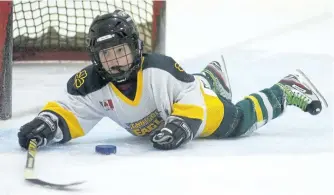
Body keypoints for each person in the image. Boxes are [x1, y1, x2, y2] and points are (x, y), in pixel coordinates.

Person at [18, 10, 327, 151]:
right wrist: (50, 123)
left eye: (121, 52)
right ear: (95, 57)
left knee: (238, 122)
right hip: (171, 106)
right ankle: (212, 78)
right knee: (200, 87)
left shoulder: (160, 69)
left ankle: (286, 89)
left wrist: (183, 125)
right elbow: (73, 111)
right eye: (106, 55)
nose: (114, 62)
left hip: (188, 104)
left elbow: (188, 92)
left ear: (136, 49)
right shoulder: (91, 84)